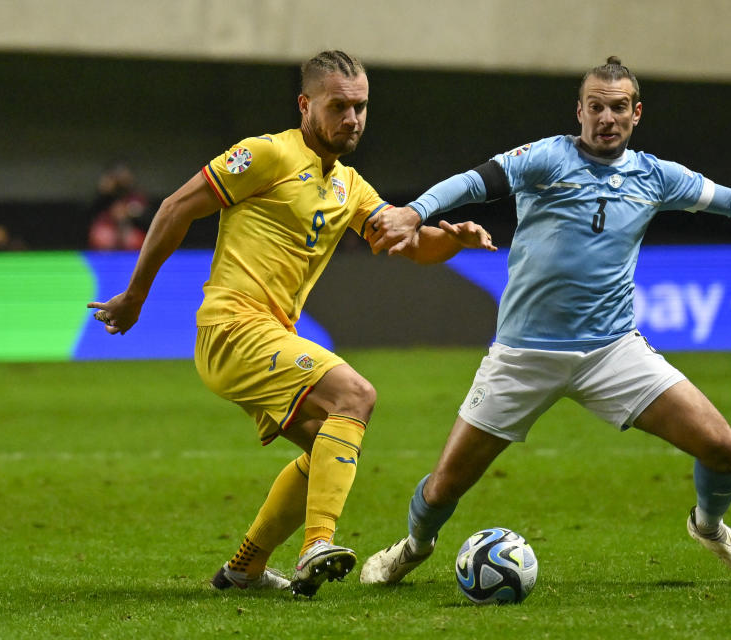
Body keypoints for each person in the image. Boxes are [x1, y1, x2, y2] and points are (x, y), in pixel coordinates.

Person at [360, 57, 731, 587]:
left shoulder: (654, 176)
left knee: (721, 447)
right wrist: (414, 212)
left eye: (618, 107)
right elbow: (471, 181)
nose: (607, 117)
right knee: (444, 487)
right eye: (596, 107)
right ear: (579, 111)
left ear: (636, 113)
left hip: (611, 351)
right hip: (523, 355)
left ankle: (710, 526)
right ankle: (413, 547)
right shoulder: (545, 158)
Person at [87, 50, 495, 597]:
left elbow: (409, 243)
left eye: (361, 107)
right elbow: (175, 207)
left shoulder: (350, 186)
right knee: (356, 395)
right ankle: (316, 546)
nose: (352, 119)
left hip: (272, 336)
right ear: (306, 105)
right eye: (339, 106)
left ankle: (245, 568)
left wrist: (454, 239)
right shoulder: (265, 154)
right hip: (233, 328)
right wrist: (136, 296)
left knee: (326, 449)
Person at [87, 163, 149, 251]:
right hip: (107, 228)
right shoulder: (104, 196)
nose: (119, 181)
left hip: (129, 229)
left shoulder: (134, 194)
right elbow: (91, 214)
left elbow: (144, 217)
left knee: (135, 239)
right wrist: (103, 193)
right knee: (103, 237)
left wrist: (129, 213)